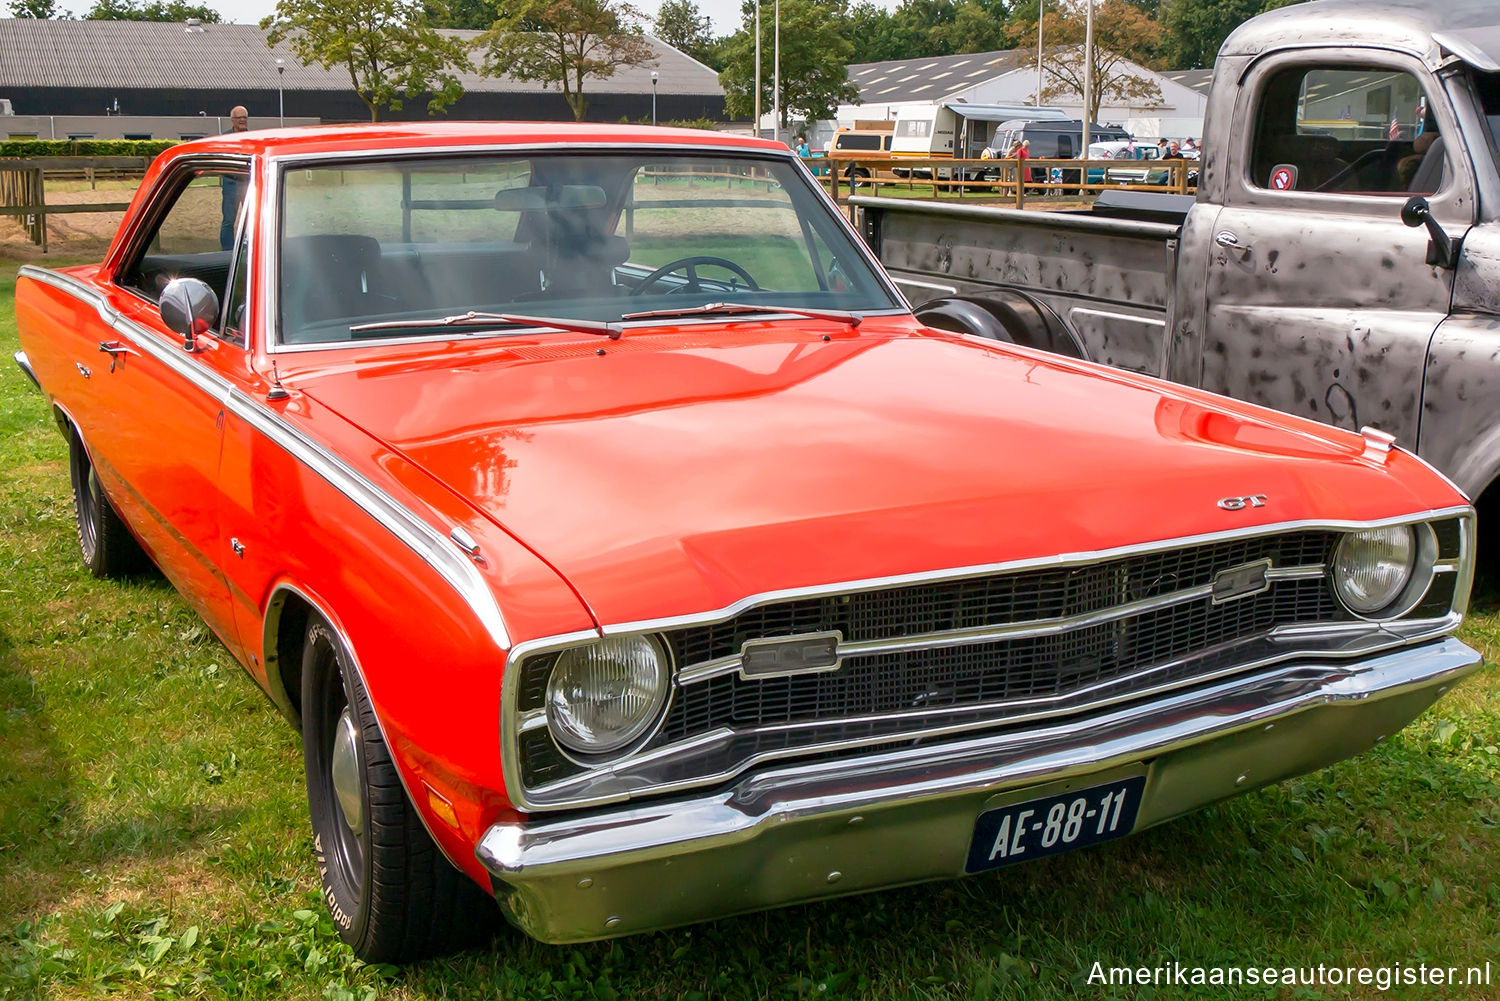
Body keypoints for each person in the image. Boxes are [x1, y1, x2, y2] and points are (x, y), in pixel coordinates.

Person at [220, 106, 249, 250]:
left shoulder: (252, 137)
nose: (242, 120)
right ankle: (227, 253)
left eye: (245, 117)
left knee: (251, 220)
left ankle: (248, 249)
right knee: (228, 221)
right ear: (232, 120)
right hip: (231, 182)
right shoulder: (225, 139)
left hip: (248, 183)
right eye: (239, 118)